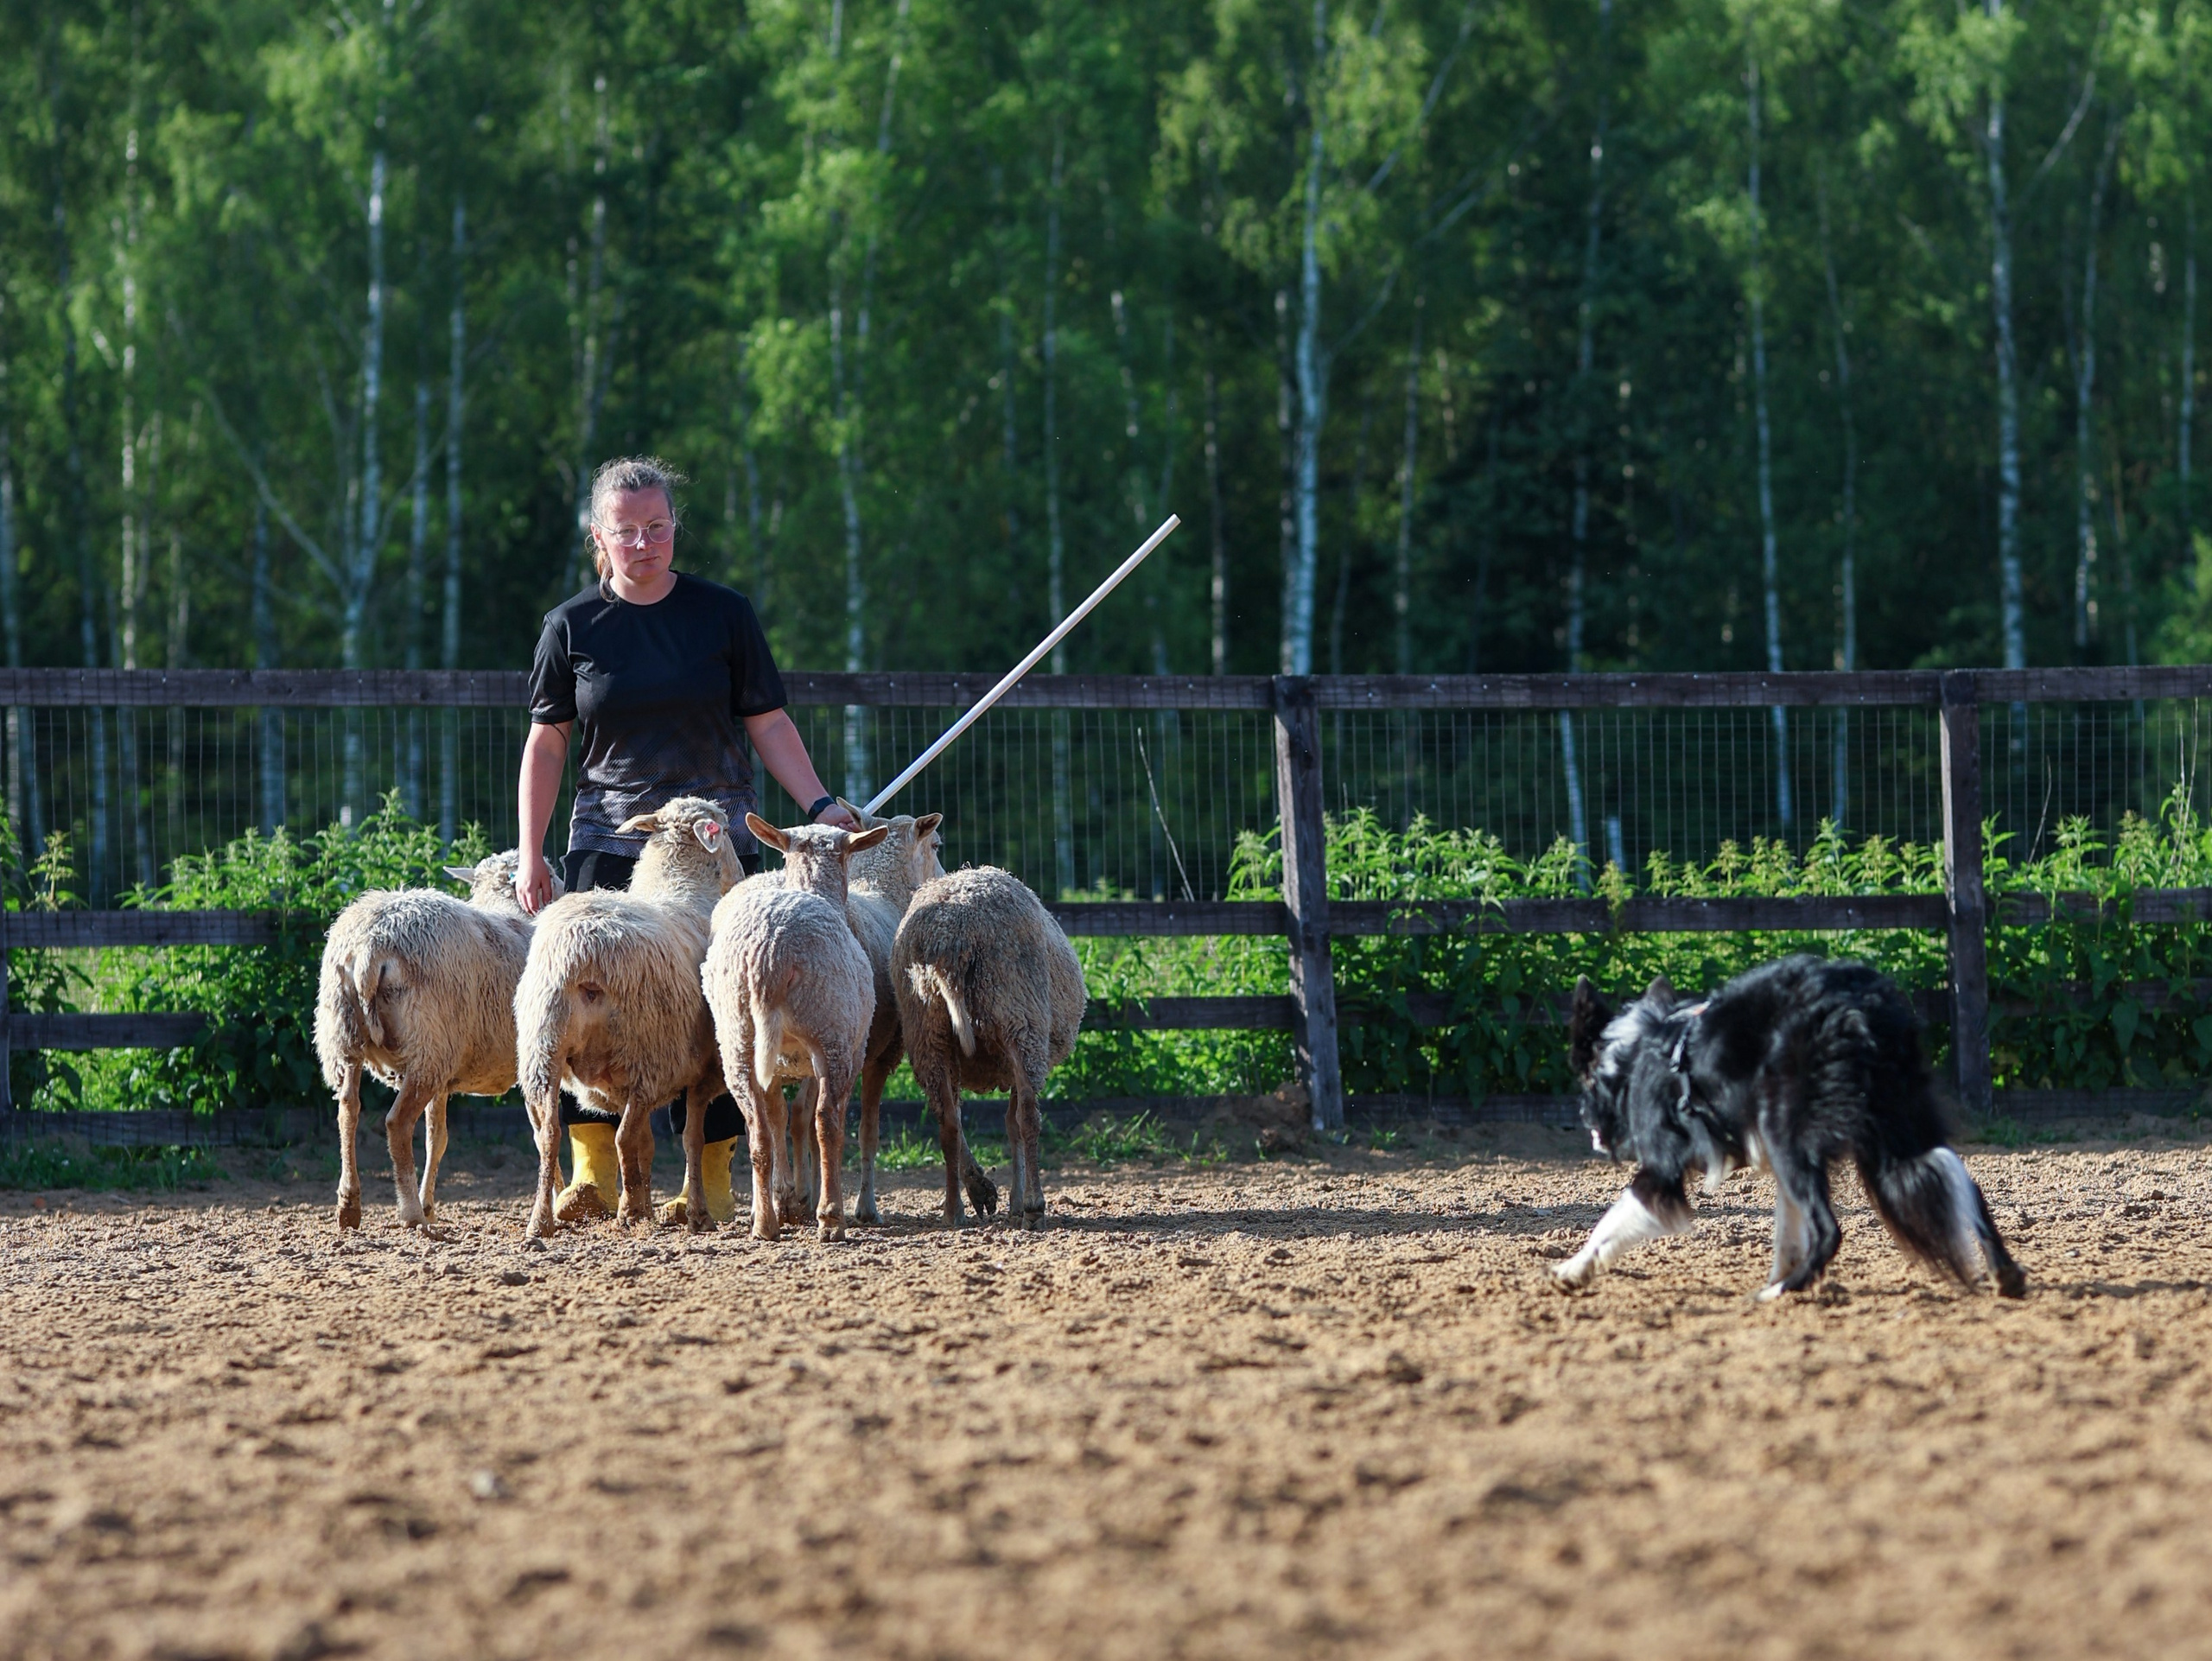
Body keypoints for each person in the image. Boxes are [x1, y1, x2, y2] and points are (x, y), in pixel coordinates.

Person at [517, 455, 856, 1225]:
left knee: (724, 1010)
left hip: (718, 846)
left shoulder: (724, 614)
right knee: (587, 1000)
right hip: (610, 841)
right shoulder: (570, 627)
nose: (644, 543)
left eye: (658, 528)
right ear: (598, 536)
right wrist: (533, 851)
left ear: (675, 529)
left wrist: (821, 802)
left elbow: (767, 720)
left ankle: (711, 1176)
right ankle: (593, 1175)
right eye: (627, 531)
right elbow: (547, 742)